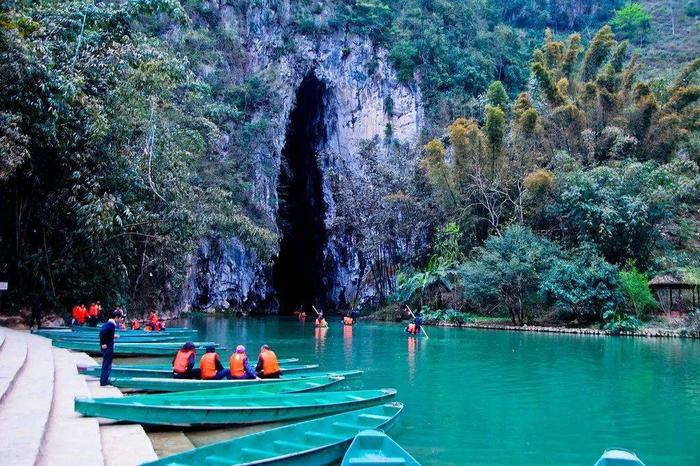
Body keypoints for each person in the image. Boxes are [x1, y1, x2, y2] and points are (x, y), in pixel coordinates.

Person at [99, 309, 124, 386]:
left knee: (106, 363)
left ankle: (104, 380)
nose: (121, 319)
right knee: (107, 364)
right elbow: (102, 332)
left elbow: (106, 333)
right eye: (120, 318)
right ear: (116, 317)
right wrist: (103, 343)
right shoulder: (111, 324)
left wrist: (113, 336)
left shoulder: (109, 323)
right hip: (107, 348)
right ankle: (104, 382)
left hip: (108, 347)